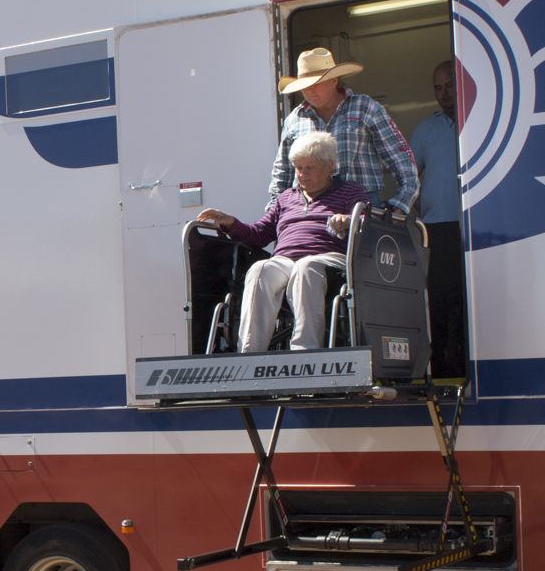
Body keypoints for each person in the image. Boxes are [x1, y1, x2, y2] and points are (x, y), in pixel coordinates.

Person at [198, 131, 368, 351]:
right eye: (298, 168)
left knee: (307, 266)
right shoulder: (286, 198)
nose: (302, 174)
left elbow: (367, 220)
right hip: (286, 260)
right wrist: (230, 223)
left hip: (328, 259)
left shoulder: (349, 191)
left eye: (310, 168)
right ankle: (249, 355)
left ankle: (304, 352)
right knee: (261, 269)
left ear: (329, 167)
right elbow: (259, 235)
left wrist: (349, 220)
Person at [269, 48, 419, 217]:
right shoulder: (294, 120)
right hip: (308, 211)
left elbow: (402, 159)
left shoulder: (365, 108)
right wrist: (276, 217)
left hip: (361, 209)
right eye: (304, 86)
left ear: (334, 80)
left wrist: (398, 207)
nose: (309, 91)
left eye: (315, 83)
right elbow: (281, 176)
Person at [410, 60, 465, 378]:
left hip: (482, 226)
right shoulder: (426, 129)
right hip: (439, 228)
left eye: (450, 85)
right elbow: (407, 175)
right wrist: (420, 205)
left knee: (474, 299)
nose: (444, 93)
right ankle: (445, 370)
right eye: (438, 88)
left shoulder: (481, 118)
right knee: (442, 301)